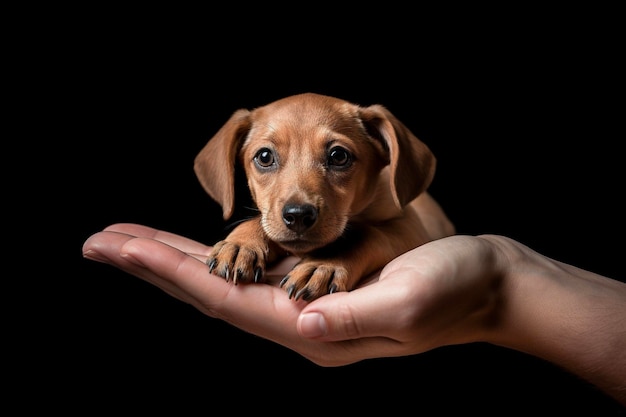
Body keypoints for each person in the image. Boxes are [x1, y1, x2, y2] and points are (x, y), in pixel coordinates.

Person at [82, 222, 626, 406]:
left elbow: (399, 231)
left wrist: (503, 281)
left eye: (337, 156)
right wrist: (249, 234)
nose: (298, 197)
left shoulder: (394, 206)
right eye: (265, 159)